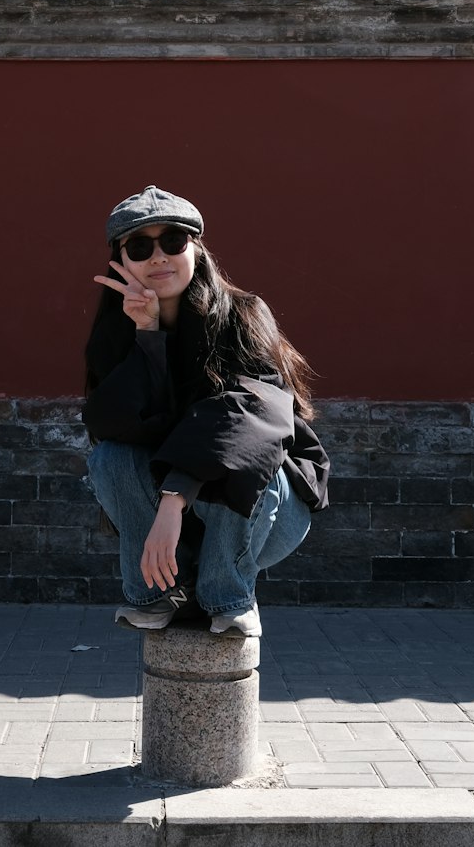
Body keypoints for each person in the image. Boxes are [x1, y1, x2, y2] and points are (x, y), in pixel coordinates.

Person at [82, 184, 329, 638]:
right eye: (140, 247)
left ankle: (229, 597)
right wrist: (148, 338)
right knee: (109, 456)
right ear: (121, 261)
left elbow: (248, 420)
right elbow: (115, 424)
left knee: (252, 458)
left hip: (265, 513)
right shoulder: (115, 335)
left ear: (196, 249)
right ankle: (155, 594)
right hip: (172, 522)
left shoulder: (244, 315)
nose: (158, 257)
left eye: (172, 241)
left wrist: (175, 497)